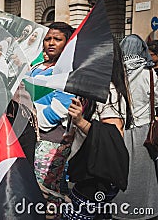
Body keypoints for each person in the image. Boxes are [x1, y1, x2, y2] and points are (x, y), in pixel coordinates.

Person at [62, 39, 133, 220]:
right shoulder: (92, 89)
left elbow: (111, 135)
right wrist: (74, 134)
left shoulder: (109, 92)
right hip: (88, 170)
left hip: (96, 176)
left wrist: (79, 122)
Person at [30, 22, 75, 217]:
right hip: (30, 137)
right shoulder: (38, 67)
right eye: (48, 38)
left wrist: (29, 113)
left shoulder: (68, 71)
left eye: (57, 39)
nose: (51, 43)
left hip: (51, 142)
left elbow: (56, 112)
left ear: (67, 43)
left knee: (47, 193)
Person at [111, 34, 158, 220]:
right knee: (143, 174)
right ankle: (145, 209)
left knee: (120, 170)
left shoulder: (115, 72)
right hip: (143, 131)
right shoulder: (150, 74)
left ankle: (118, 209)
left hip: (119, 128)